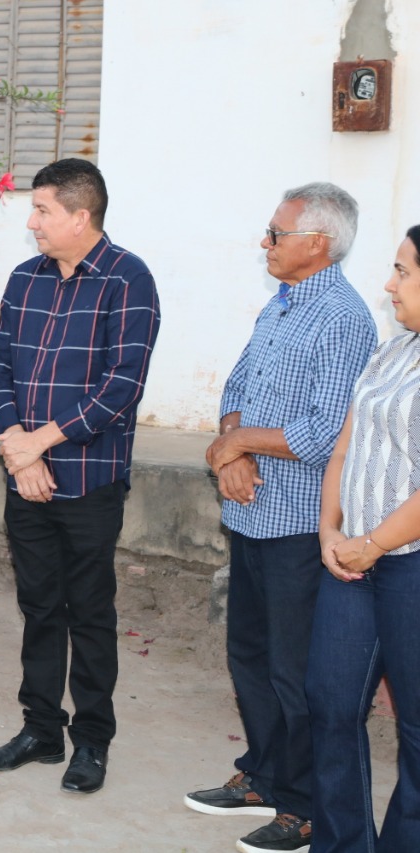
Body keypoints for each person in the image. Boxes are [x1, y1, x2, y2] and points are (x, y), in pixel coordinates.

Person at [187, 183, 375, 853]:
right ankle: (263, 772)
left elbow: (327, 429)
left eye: (276, 233)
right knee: (251, 654)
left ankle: (302, 805)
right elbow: (237, 388)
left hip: (299, 520)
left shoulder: (345, 319)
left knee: (294, 671)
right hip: (251, 510)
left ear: (317, 244)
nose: (264, 244)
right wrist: (231, 445)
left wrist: (241, 443)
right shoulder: (282, 304)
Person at [0, 158, 160, 794]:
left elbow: (122, 388)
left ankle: (92, 743)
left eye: (43, 211)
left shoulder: (127, 280)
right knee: (37, 607)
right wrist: (14, 446)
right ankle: (41, 730)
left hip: (88, 480)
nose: (32, 223)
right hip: (26, 477)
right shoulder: (26, 279)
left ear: (81, 216)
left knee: (88, 612)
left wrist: (38, 447)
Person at [307, 227, 420, 852]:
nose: (389, 283)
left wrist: (374, 542)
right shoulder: (392, 351)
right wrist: (331, 530)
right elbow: (346, 445)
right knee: (329, 703)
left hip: (408, 565)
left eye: (403, 271)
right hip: (352, 558)